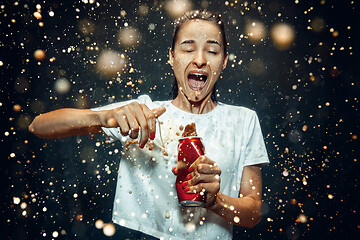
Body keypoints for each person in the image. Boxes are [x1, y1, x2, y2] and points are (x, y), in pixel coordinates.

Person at [29, 9, 269, 240]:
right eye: (188, 49)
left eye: (212, 51)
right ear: (171, 57)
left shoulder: (243, 120)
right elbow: (39, 126)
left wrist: (214, 200)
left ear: (224, 61)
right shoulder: (141, 112)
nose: (199, 60)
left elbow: (252, 214)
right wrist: (105, 117)